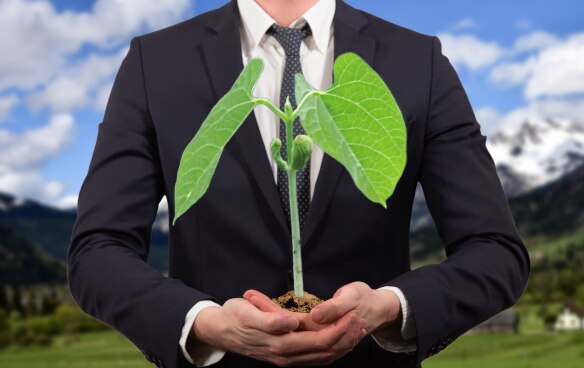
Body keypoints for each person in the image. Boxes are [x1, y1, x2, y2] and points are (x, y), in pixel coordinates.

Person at [67, 0, 530, 367]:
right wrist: (204, 323)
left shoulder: (416, 61)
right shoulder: (157, 62)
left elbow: (495, 251)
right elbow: (97, 250)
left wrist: (390, 308)